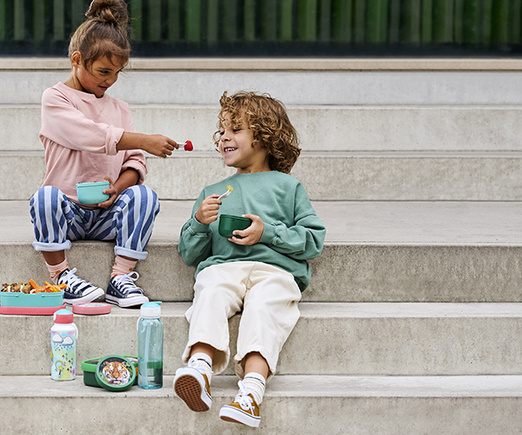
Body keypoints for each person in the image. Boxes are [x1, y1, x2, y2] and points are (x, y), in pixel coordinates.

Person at [173, 91, 326, 428]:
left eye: (236, 129)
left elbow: (313, 240)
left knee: (265, 306)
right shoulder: (213, 192)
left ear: (265, 137)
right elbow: (190, 253)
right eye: (223, 131)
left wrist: (267, 233)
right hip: (224, 267)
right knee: (210, 289)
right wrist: (199, 221)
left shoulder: (288, 187)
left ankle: (251, 392)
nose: (225, 137)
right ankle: (198, 369)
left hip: (275, 270)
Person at [29, 0, 179, 308]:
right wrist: (146, 139)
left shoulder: (119, 108)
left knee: (144, 196)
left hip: (107, 214)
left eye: (117, 73)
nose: (109, 80)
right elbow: (90, 135)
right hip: (68, 211)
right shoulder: (55, 99)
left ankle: (120, 278)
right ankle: (61, 276)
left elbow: (134, 161)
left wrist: (118, 188)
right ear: (77, 60)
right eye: (103, 71)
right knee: (43, 199)